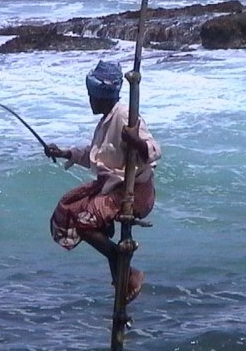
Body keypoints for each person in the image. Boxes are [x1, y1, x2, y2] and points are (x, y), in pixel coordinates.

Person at [45, 60, 161, 304]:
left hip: (133, 191)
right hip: (114, 186)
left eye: (92, 96)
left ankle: (124, 266)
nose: (90, 101)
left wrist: (137, 142)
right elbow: (98, 156)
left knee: (83, 220)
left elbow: (153, 149)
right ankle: (121, 278)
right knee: (68, 207)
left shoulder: (124, 116)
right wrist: (65, 153)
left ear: (104, 95)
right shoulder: (107, 118)